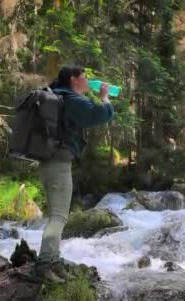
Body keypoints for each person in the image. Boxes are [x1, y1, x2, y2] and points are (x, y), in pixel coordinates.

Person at [32, 65, 114, 283]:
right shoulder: (71, 99)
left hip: (46, 162)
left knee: (55, 214)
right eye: (84, 76)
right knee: (59, 216)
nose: (87, 79)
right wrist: (104, 97)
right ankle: (44, 266)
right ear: (74, 79)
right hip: (59, 163)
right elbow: (100, 114)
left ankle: (54, 261)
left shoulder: (55, 96)